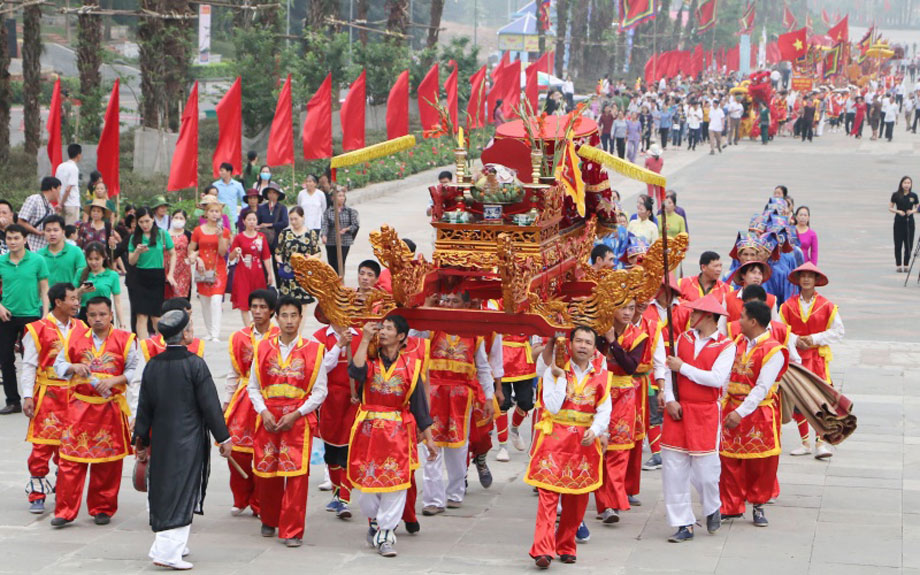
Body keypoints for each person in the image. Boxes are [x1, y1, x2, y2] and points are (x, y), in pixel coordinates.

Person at [133, 309, 232, 570]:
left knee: (166, 487)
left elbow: (144, 406)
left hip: (163, 437)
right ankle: (168, 552)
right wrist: (224, 438)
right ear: (185, 334)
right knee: (182, 488)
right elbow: (210, 405)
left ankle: (167, 544)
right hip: (187, 437)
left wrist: (140, 438)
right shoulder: (195, 364)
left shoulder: (154, 365)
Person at [347, 316, 437, 557]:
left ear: (401, 337)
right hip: (369, 431)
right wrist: (364, 339)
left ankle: (386, 533)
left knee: (396, 484)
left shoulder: (411, 365)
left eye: (389, 329)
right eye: (382, 328)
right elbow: (355, 371)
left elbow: (419, 404)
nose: (384, 332)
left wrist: (429, 438)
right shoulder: (369, 358)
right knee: (367, 488)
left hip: (398, 433)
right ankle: (375, 522)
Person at [525, 329, 610, 568]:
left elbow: (604, 408)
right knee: (548, 496)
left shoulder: (601, 375)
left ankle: (566, 545)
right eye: (579, 341)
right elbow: (551, 406)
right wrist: (560, 376)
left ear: (595, 349)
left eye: (588, 342)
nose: (583, 346)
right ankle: (542, 549)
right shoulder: (555, 369)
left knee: (577, 498)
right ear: (570, 344)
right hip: (554, 441)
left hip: (583, 443)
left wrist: (595, 430)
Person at [247, 296, 328, 547]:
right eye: (285, 315)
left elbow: (320, 391)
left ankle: (292, 529)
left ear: (300, 319)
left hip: (297, 420)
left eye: (294, 316)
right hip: (269, 418)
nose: (289, 321)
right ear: (277, 318)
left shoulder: (314, 350)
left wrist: (298, 413)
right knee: (268, 472)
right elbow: (253, 387)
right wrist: (263, 412)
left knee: (296, 476)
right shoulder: (262, 348)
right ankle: (269, 520)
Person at [50, 295, 137, 527]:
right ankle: (64, 511)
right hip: (79, 407)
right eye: (92, 315)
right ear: (85, 316)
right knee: (70, 460)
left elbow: (134, 370)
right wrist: (72, 366)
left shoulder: (126, 340)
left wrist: (114, 381)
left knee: (107, 463)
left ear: (111, 315)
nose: (98, 319)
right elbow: (58, 366)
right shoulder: (74, 338)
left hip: (109, 408)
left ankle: (102, 508)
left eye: (102, 314)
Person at [660, 294, 735, 542]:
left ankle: (712, 505)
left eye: (694, 313)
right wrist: (669, 398)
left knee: (706, 472)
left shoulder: (726, 346)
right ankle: (683, 523)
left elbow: (715, 379)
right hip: (678, 409)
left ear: (707, 317)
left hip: (705, 412)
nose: (690, 317)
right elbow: (667, 370)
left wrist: (684, 368)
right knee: (673, 469)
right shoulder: (682, 338)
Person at [420, 291, 495, 515]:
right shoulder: (432, 328)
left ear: (465, 305)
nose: (450, 306)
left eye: (455, 302)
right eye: (447, 301)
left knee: (458, 448)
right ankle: (432, 499)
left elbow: (482, 367)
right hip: (433, 394)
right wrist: (426, 308)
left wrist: (489, 396)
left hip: (461, 397)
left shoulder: (475, 334)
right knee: (430, 446)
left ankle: (454, 492)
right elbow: (412, 337)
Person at [720, 301, 789, 528]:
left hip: (758, 412)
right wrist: (723, 403)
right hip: (732, 406)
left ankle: (758, 504)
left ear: (753, 322)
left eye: (741, 317)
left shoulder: (774, 351)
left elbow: (761, 388)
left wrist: (740, 412)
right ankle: (731, 506)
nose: (737, 321)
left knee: (760, 463)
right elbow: (727, 375)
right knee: (729, 459)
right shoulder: (738, 342)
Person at [18, 282, 78, 512]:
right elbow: (29, 364)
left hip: (73, 396)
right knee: (42, 446)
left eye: (77, 299)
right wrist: (27, 396)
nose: (76, 303)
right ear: (58, 302)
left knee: (69, 447)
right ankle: (37, 492)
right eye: (72, 299)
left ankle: (64, 492)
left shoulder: (81, 327)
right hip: (48, 395)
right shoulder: (37, 329)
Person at [779, 263, 845, 460]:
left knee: (820, 401)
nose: (806, 279)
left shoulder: (827, 305)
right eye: (803, 276)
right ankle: (805, 441)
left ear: (816, 281)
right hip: (796, 357)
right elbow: (781, 330)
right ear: (798, 280)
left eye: (810, 276)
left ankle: (821, 442)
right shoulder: (788, 305)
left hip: (817, 358)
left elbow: (838, 331)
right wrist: (795, 340)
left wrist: (815, 339)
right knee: (798, 399)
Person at [223, 289, 279, 518]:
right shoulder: (239, 337)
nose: (257, 311)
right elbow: (233, 372)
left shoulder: (279, 337)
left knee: (264, 452)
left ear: (272, 311)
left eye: (262, 307)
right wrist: (226, 402)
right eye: (254, 306)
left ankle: (259, 501)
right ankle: (240, 497)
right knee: (237, 450)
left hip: (270, 399)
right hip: (244, 399)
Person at [595, 299, 646, 525]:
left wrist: (613, 342)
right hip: (598, 391)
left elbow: (630, 366)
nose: (627, 313)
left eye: (631, 309)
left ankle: (611, 503)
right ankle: (603, 502)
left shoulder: (639, 336)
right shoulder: (597, 333)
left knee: (619, 450)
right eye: (623, 308)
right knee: (598, 448)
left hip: (624, 395)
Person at [312, 316, 362, 520]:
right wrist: (338, 346)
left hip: (353, 400)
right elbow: (319, 368)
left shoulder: (360, 336)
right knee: (331, 451)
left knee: (348, 451)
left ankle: (344, 498)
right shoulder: (319, 338)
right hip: (330, 401)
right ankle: (336, 491)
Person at [0, 225, 50, 415]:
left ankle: (35, 397)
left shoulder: (37, 260)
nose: (12, 242)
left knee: (31, 359)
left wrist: (45, 314)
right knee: (5, 358)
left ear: (25, 239)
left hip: (31, 315)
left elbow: (45, 288)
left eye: (16, 238)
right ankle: (13, 400)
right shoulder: (1, 261)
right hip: (7, 315)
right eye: (9, 238)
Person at [128, 207, 177, 340]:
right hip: (140, 276)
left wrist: (170, 274)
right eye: (141, 222)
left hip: (157, 276)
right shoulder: (135, 237)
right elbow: (131, 261)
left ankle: (160, 344)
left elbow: (172, 253)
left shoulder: (162, 234)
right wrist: (137, 252)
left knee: (156, 315)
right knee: (141, 315)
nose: (145, 225)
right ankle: (144, 347)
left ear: (153, 219)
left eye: (147, 221)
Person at [189, 196, 231, 342]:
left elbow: (222, 252)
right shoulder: (197, 231)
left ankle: (215, 333)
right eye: (211, 211)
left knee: (216, 300)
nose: (214, 214)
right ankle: (209, 331)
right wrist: (198, 258)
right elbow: (191, 250)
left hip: (218, 269)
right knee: (205, 301)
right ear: (206, 214)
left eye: (217, 211)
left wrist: (220, 237)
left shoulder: (224, 231)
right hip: (202, 269)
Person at [229, 210, 275, 325]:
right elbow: (230, 257)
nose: (252, 222)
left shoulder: (261, 237)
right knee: (244, 301)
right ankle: (247, 328)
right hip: (243, 272)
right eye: (249, 220)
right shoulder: (239, 237)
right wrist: (235, 251)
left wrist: (269, 273)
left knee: (259, 299)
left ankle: (256, 324)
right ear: (244, 221)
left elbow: (266, 256)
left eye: (254, 219)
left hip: (258, 272)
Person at [275, 206, 321, 305]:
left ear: (303, 217)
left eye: (296, 219)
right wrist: (280, 263)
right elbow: (278, 252)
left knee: (303, 303)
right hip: (288, 272)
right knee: (287, 303)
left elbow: (317, 252)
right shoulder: (285, 233)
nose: (293, 222)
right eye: (291, 219)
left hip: (304, 274)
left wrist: (311, 258)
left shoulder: (310, 233)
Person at [77, 242, 125, 328]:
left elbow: (117, 301)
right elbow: (72, 296)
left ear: (103, 258)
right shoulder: (80, 273)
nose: (93, 262)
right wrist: (81, 291)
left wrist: (121, 322)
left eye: (97, 259)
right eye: (90, 259)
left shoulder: (112, 275)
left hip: (104, 313)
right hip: (85, 314)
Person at [38, 215, 86, 287]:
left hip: (69, 297)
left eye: (56, 230)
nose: (52, 234)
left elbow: (83, 274)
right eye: (48, 230)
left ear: (63, 232)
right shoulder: (39, 255)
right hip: (45, 297)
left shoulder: (76, 252)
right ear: (44, 232)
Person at [321, 187, 359, 275]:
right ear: (333, 198)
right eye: (339, 196)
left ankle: (340, 281)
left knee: (340, 262)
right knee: (332, 263)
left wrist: (346, 229)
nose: (341, 198)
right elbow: (325, 225)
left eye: (343, 196)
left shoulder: (350, 211)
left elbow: (355, 225)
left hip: (344, 241)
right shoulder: (328, 212)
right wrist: (324, 235)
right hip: (331, 241)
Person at [19, 177, 61, 252]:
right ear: (53, 188)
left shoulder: (51, 207)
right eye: (59, 189)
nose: (59, 193)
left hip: (42, 248)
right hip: (29, 244)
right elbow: (21, 221)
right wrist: (37, 232)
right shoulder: (34, 199)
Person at [889, 175, 918, 272]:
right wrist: (898, 211)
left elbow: (918, 208)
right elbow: (890, 208)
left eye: (908, 183)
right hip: (898, 222)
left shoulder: (914, 196)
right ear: (901, 184)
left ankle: (906, 265)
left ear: (911, 184)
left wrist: (912, 211)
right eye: (905, 183)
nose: (907, 185)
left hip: (909, 222)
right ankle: (898, 265)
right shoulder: (896, 195)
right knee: (898, 244)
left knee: (908, 243)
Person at [165, 209, 192, 300]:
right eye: (176, 217)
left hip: (184, 271)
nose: (178, 220)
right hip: (168, 268)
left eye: (181, 218)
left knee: (182, 298)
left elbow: (195, 249)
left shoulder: (188, 234)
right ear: (172, 219)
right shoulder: (165, 234)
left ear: (185, 220)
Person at [256, 183, 289, 256]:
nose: (271, 194)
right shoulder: (261, 208)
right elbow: (257, 222)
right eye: (269, 192)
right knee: (264, 261)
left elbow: (285, 223)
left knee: (276, 262)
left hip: (278, 239)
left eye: (274, 192)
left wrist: (269, 225)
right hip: (264, 238)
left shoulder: (282, 208)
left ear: (278, 195)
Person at [56, 144, 82, 225]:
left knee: (62, 230)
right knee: (72, 231)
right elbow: (68, 188)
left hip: (62, 203)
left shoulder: (60, 166)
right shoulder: (74, 168)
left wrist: (60, 202)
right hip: (72, 204)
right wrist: (61, 203)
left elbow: (56, 187)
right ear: (78, 155)